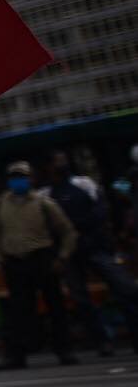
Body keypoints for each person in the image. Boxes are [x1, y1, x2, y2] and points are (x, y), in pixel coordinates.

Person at [0, 161, 78, 371]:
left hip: (42, 258)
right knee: (17, 312)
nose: (18, 180)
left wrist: (62, 258)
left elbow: (68, 231)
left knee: (56, 308)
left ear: (31, 178)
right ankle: (16, 356)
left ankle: (64, 350)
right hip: (14, 262)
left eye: (22, 176)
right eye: (14, 176)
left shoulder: (43, 202)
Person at [46, 151, 138, 356]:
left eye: (63, 159)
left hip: (96, 247)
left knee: (126, 289)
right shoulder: (47, 194)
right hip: (70, 253)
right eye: (57, 160)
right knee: (81, 300)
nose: (62, 163)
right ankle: (101, 341)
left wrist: (79, 228)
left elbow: (100, 211)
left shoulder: (84, 183)